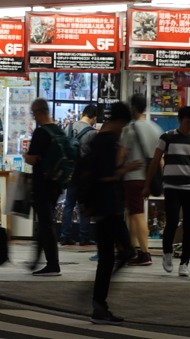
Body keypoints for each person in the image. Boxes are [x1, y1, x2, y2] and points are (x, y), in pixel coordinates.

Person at [89, 102, 140, 326]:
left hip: (102, 206)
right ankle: (98, 302)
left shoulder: (98, 139)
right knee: (122, 252)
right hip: (108, 206)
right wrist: (125, 169)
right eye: (124, 125)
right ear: (119, 122)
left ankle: (99, 303)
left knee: (109, 256)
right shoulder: (108, 141)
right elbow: (107, 175)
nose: (123, 129)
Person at [144, 105, 190, 277]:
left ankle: (185, 263)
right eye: (187, 122)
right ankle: (167, 254)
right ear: (180, 120)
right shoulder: (168, 137)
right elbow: (155, 161)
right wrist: (147, 185)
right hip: (172, 186)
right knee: (172, 221)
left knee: (189, 225)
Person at [119, 94, 161, 266]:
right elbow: (161, 158)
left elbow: (121, 155)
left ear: (134, 108)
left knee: (137, 215)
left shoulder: (130, 129)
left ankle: (145, 253)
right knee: (133, 214)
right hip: (149, 178)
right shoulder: (156, 128)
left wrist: (119, 169)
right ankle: (132, 249)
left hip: (134, 177)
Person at [24, 98, 64, 276]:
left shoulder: (41, 133)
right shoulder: (58, 130)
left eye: (34, 113)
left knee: (46, 223)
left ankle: (53, 264)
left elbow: (32, 159)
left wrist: (26, 156)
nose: (34, 117)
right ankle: (37, 260)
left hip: (42, 183)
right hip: (56, 183)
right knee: (44, 221)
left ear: (39, 112)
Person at [61, 104, 98, 245]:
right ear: (94, 117)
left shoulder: (68, 128)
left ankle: (65, 236)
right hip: (84, 174)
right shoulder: (92, 133)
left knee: (68, 204)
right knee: (83, 205)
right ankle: (84, 236)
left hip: (70, 172)